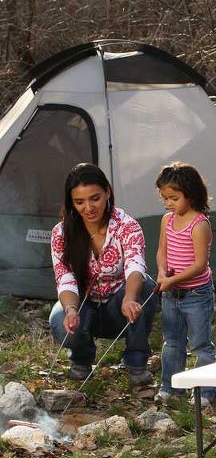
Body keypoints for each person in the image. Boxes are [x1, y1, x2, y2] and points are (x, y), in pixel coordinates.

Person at [50, 163, 158, 394]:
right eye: (79, 202)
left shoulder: (127, 226)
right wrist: (71, 310)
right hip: (85, 306)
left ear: (108, 192)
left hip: (119, 307)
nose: (88, 208)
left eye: (95, 198)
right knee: (59, 319)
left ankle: (136, 362)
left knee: (146, 286)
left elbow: (135, 266)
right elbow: (64, 277)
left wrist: (129, 298)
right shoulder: (61, 233)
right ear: (71, 202)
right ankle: (81, 359)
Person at [154, 162, 216, 409]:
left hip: (196, 294)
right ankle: (171, 388)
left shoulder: (199, 224)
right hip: (171, 294)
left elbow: (200, 265)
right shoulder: (167, 221)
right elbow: (162, 252)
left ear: (191, 195)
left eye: (174, 198)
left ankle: (207, 391)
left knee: (200, 344)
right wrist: (162, 273)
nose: (168, 203)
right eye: (165, 198)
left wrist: (173, 280)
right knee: (172, 341)